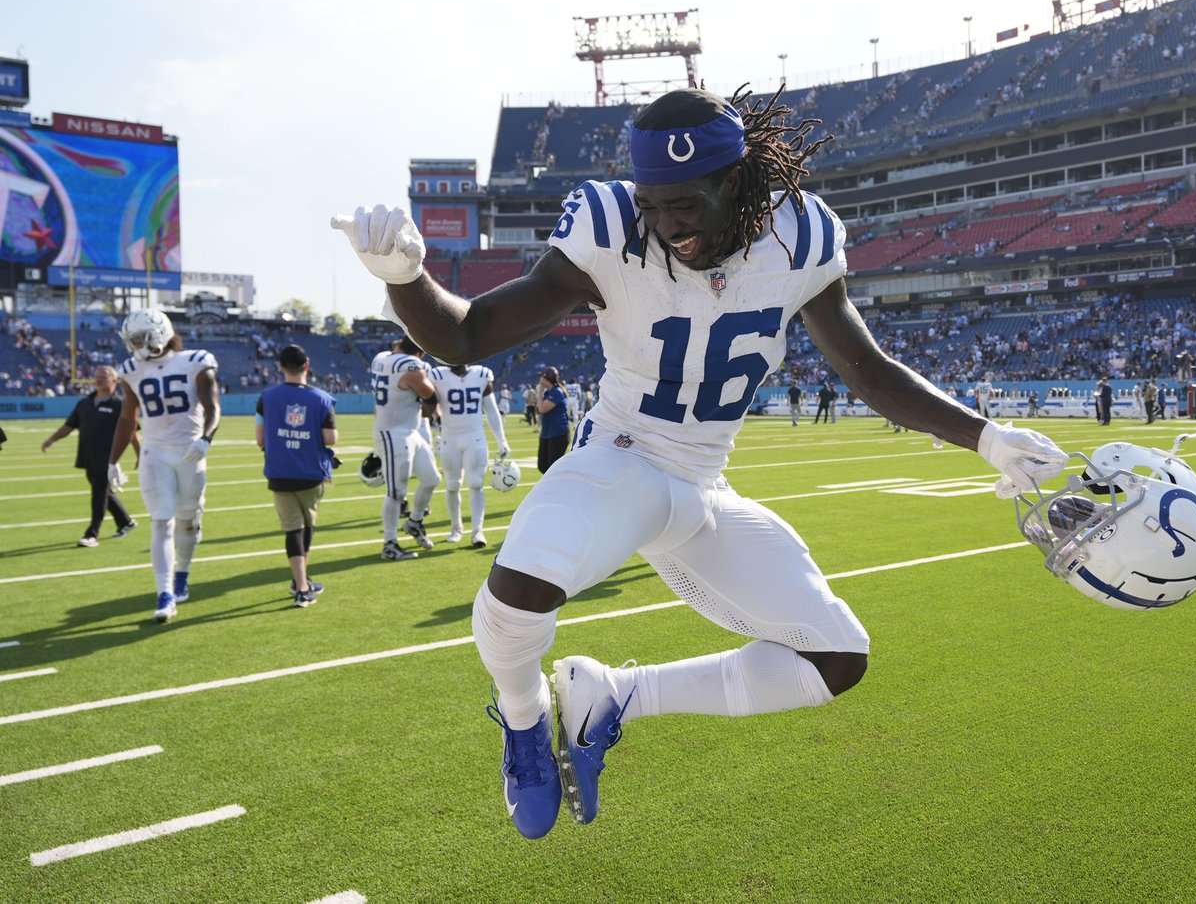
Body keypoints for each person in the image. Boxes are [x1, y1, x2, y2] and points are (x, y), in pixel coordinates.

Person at [333, 85, 1067, 841]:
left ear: (738, 182)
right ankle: (524, 723)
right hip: (621, 457)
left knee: (838, 656)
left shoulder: (801, 236)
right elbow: (469, 335)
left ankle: (613, 695)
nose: (666, 224)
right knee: (521, 588)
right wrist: (404, 279)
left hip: (703, 485)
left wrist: (987, 437)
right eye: (653, 203)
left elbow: (867, 369)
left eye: (685, 204)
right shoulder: (612, 225)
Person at [108, 309, 220, 623]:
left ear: (159, 333)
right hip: (155, 453)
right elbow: (128, 417)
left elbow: (213, 406)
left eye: (140, 338)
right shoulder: (131, 369)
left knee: (188, 522)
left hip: (189, 452)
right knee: (161, 522)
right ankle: (165, 592)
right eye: (132, 340)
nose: (135, 345)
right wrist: (112, 460)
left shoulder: (196, 361)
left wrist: (206, 438)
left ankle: (181, 572)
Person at [255, 345, 337, 607]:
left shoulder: (266, 397)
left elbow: (259, 439)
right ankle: (302, 586)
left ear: (280, 367)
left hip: (280, 472)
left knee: (293, 529)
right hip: (311, 472)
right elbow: (330, 438)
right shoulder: (322, 398)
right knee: (307, 526)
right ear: (307, 365)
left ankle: (300, 581)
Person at [42, 364, 141, 547]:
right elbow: (68, 426)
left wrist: (140, 455)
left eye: (104, 375)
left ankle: (92, 534)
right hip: (87, 457)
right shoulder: (84, 403)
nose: (100, 378)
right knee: (104, 493)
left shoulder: (120, 404)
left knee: (98, 495)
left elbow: (132, 433)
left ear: (114, 380)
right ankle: (125, 522)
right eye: (97, 375)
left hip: (108, 458)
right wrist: (51, 440)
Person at [370, 336, 441, 559]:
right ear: (418, 353)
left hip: (409, 431)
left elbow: (395, 351)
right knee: (396, 492)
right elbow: (430, 396)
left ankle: (415, 521)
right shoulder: (411, 366)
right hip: (393, 433)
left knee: (431, 479)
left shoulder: (381, 358)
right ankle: (389, 544)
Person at [429, 360, 511, 546]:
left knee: (476, 484)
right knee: (452, 485)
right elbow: (427, 402)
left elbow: (491, 410)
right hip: (450, 437)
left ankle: (477, 531)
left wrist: (502, 439)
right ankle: (456, 528)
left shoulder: (481, 375)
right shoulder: (437, 375)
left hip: (475, 437)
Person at [534, 366, 569, 473]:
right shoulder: (549, 392)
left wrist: (539, 392)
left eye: (542, 378)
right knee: (542, 466)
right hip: (547, 433)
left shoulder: (556, 392)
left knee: (552, 469)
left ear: (546, 379)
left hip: (558, 434)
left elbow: (541, 409)